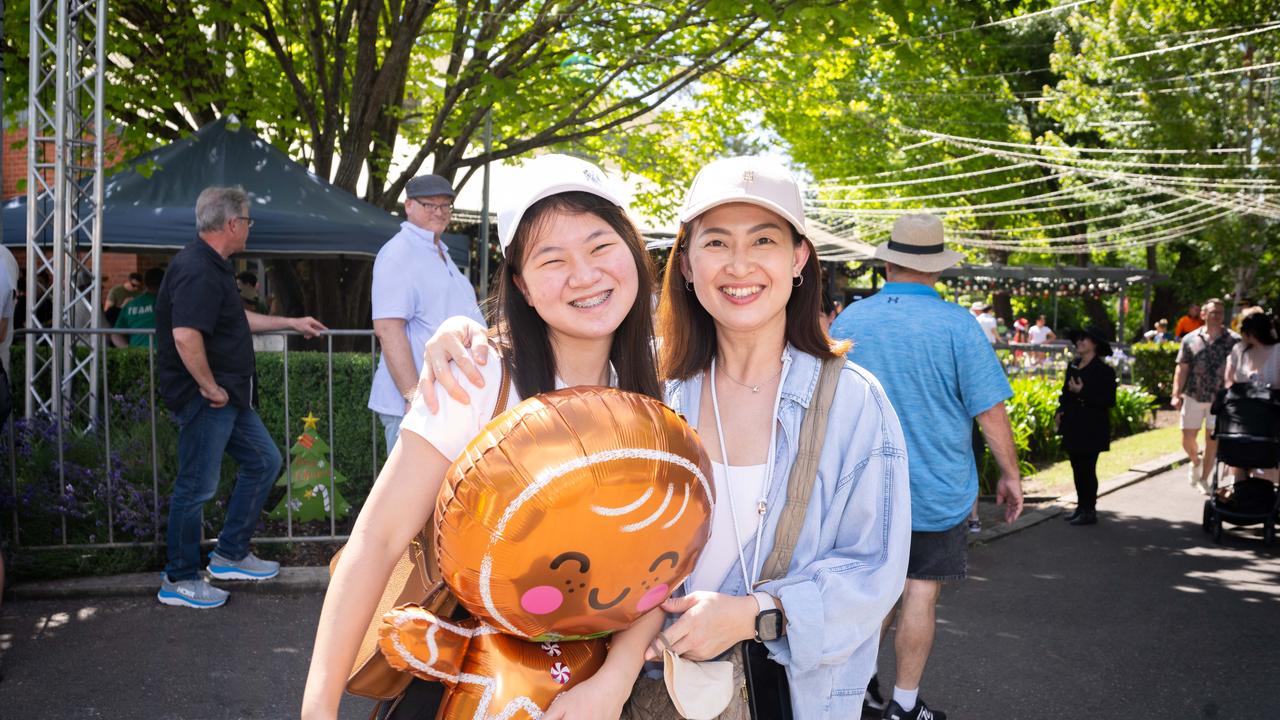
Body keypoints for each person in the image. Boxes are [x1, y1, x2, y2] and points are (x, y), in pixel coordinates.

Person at [418, 157, 913, 719]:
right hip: (645, 696)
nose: (740, 265)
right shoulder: (648, 388)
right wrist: (461, 333)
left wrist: (758, 613)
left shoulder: (852, 402)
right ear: (686, 263)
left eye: (765, 240)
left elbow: (874, 571)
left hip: (794, 700)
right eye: (716, 243)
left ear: (799, 258)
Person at [303, 155, 666, 720]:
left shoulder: (655, 385)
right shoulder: (477, 376)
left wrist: (614, 683)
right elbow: (377, 539)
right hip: (464, 683)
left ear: (633, 251)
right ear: (519, 282)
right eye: (552, 259)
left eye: (600, 247)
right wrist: (317, 711)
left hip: (587, 693)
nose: (584, 275)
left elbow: (657, 563)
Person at [829, 213, 1024, 720]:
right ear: (936, 271)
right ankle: (903, 707)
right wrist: (1010, 474)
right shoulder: (958, 325)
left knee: (873, 593)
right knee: (919, 592)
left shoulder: (851, 321)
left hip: (863, 490)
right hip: (936, 490)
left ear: (889, 262)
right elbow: (990, 410)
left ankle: (858, 692)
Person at [155, 186, 326, 610]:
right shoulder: (197, 268)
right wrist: (209, 386)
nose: (250, 228)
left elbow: (234, 318)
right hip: (210, 398)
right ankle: (179, 578)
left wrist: (289, 322)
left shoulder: (213, 265)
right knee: (196, 487)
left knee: (264, 460)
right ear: (232, 224)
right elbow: (184, 334)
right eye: (248, 220)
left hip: (227, 397)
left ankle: (229, 554)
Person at [367, 173, 483, 455]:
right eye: (430, 205)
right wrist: (412, 396)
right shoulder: (399, 254)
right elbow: (388, 329)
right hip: (417, 405)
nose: (439, 212)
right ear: (409, 206)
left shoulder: (438, 251)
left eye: (445, 206)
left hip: (441, 402)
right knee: (411, 496)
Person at [1172, 299, 1239, 495]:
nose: (1217, 315)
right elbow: (1182, 368)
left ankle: (1204, 479)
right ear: (1204, 315)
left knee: (1212, 439)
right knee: (1187, 437)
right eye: (1213, 312)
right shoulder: (1190, 339)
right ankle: (1196, 461)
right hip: (1193, 395)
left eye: (1220, 312)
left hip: (1219, 400)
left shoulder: (1233, 340)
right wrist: (1176, 394)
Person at [1056, 327, 1118, 526]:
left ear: (1094, 344)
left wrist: (1083, 392)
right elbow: (1065, 393)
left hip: (1092, 426)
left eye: (1084, 339)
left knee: (1087, 468)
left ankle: (1089, 510)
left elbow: (1108, 400)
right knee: (1076, 467)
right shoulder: (1073, 365)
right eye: (1078, 339)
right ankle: (1081, 507)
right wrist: (1060, 411)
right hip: (1073, 423)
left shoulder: (1105, 371)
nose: (1079, 342)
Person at [111, 268, 163, 348]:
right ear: (164, 282)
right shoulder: (165, 303)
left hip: (137, 356)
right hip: (161, 355)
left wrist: (128, 351)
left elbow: (115, 334)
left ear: (145, 283)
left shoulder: (130, 304)